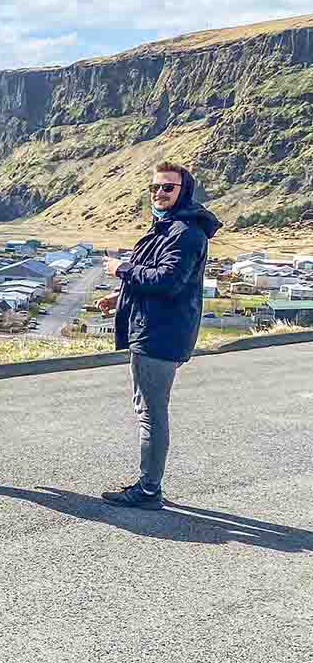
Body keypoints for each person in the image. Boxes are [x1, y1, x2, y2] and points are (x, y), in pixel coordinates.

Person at [96, 162, 220, 508]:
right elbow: (157, 278)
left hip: (160, 334)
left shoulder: (185, 232)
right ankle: (149, 483)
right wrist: (120, 297)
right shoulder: (167, 227)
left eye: (168, 187)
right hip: (155, 328)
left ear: (184, 192)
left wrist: (120, 269)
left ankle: (148, 490)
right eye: (154, 188)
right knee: (150, 408)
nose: (159, 193)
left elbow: (166, 281)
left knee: (151, 411)